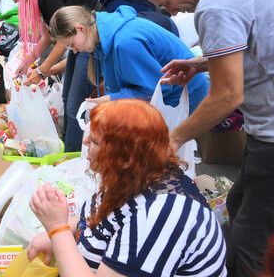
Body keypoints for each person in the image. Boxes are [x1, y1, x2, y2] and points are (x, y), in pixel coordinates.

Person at [138, 0, 274, 276]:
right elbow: (256, 40)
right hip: (264, 134)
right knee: (240, 205)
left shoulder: (214, 5)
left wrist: (173, 138)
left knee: (249, 242)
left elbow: (227, 95)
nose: (172, 12)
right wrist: (200, 64)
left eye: (168, 3)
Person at [27, 99, 226, 276]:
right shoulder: (136, 174)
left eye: (95, 141)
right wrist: (68, 228)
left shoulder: (158, 215)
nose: (85, 141)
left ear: (125, 158)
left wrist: (57, 229)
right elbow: (102, 218)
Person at [0, 0, 102, 151]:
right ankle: (68, 150)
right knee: (67, 98)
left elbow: (62, 41)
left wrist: (41, 71)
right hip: (79, 42)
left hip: (90, 42)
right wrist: (27, 62)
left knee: (74, 106)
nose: (15, 1)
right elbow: (47, 37)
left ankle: (72, 155)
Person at [49, 5, 209, 111]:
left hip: (183, 98)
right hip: (170, 97)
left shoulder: (125, 43)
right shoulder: (103, 36)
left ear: (80, 29)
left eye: (71, 44)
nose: (74, 51)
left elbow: (157, 89)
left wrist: (111, 99)